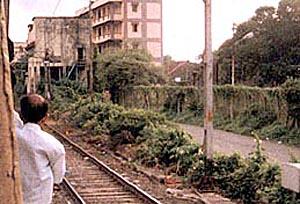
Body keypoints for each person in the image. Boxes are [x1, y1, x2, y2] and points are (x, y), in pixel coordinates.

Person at [17, 94, 66, 204]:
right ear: (45, 117)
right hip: (40, 198)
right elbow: (58, 177)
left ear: (21, 114)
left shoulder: (13, 135)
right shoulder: (53, 145)